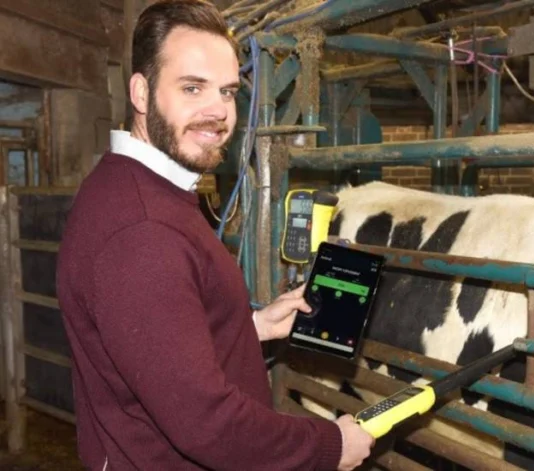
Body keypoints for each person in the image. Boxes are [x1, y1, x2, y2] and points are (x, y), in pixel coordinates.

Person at [55, 0, 375, 469]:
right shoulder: (143, 232)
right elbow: (208, 425)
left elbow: (155, 347)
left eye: (227, 92)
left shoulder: (131, 186)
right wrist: (330, 446)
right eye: (192, 87)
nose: (217, 111)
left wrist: (250, 327)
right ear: (141, 93)